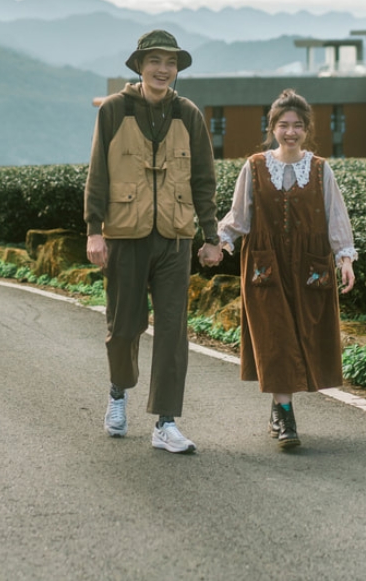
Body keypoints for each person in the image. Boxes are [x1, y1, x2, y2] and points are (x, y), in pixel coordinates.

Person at [85, 29, 224, 454]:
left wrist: (211, 236)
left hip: (175, 239)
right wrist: (94, 230)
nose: (163, 70)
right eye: (155, 62)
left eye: (171, 63)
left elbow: (203, 179)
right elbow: (97, 174)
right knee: (124, 325)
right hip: (125, 235)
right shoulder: (112, 111)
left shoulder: (188, 114)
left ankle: (166, 422)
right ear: (139, 66)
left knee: (172, 332)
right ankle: (117, 393)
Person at [217, 89, 356, 449]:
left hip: (310, 265)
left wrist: (345, 258)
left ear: (307, 129)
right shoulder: (255, 165)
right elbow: (239, 215)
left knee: (302, 335)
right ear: (272, 128)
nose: (290, 132)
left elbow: (335, 216)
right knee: (275, 336)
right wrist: (218, 242)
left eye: (297, 126)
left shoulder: (321, 169)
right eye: (283, 125)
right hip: (265, 263)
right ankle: (285, 413)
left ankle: (278, 410)